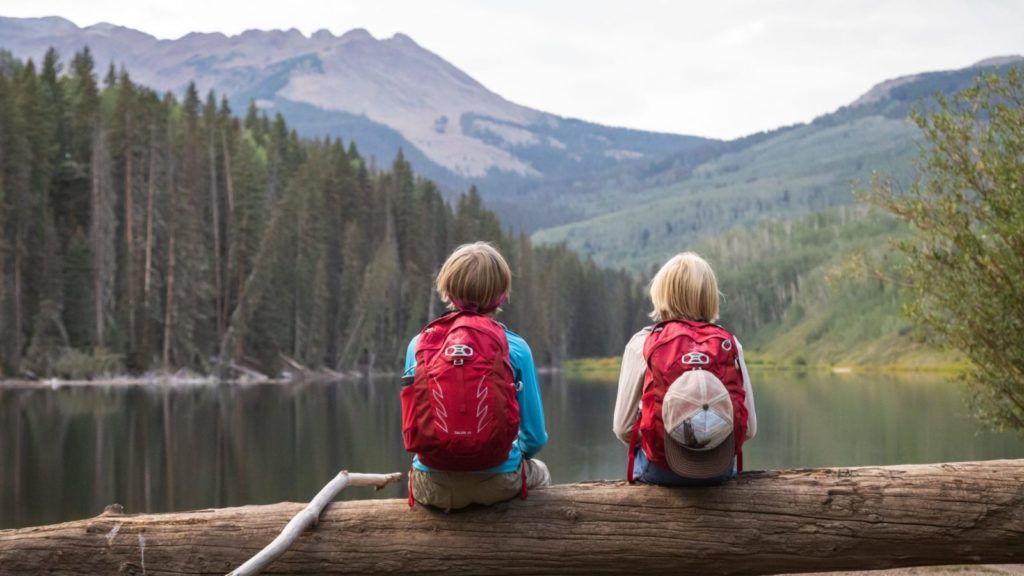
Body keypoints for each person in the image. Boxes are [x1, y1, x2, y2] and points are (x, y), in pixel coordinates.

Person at [402, 242, 550, 510]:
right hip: (499, 482)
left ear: (446, 291)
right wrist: (504, 457)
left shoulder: (419, 345)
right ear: (502, 296)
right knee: (541, 471)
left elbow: (413, 427)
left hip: (429, 485)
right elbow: (535, 437)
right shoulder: (514, 347)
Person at [612, 252, 757, 485]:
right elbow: (748, 429)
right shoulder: (730, 343)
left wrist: (663, 439)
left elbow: (623, 428)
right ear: (710, 296)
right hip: (719, 470)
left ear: (661, 293)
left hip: (660, 470)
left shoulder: (642, 343)